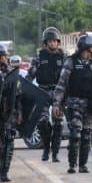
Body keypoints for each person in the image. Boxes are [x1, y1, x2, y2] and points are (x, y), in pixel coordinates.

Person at [52, 35, 92, 173]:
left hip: (90, 103)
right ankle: (72, 165)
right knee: (75, 134)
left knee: (87, 134)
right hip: (74, 102)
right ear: (86, 48)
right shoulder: (71, 61)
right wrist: (56, 103)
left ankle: (82, 165)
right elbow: (62, 83)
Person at [27, 27, 66, 162]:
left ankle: (55, 153)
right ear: (46, 43)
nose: (52, 43)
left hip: (58, 92)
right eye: (50, 41)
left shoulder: (63, 56)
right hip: (42, 91)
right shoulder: (39, 57)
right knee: (42, 122)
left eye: (55, 41)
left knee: (58, 123)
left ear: (58, 42)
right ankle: (46, 149)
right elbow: (30, 74)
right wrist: (24, 88)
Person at [0, 42, 22, 182]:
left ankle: (4, 172)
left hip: (8, 112)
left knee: (8, 142)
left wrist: (19, 112)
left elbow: (18, 94)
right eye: (3, 55)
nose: (5, 58)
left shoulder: (11, 72)